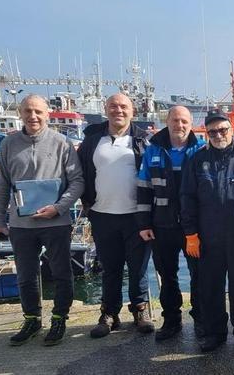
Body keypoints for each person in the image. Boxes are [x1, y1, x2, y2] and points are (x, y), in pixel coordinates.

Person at [0, 94, 84, 346]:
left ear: (48, 114)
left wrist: (59, 207)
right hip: (22, 225)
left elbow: (77, 182)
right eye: (28, 111)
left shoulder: (62, 143)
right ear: (20, 113)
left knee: (62, 272)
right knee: (26, 275)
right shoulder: (8, 144)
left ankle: (59, 317)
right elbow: (2, 185)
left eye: (38, 112)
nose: (33, 116)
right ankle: (32, 318)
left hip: (56, 222)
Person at [180, 111, 234, 352]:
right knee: (210, 287)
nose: (218, 135)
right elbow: (187, 198)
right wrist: (190, 234)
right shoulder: (197, 160)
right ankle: (215, 333)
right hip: (208, 238)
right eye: (212, 132)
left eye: (222, 130)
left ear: (232, 130)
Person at [79, 93, 153, 338]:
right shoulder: (92, 140)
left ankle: (140, 310)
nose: (118, 110)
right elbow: (80, 175)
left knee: (138, 268)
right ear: (105, 109)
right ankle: (109, 313)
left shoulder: (143, 140)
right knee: (110, 268)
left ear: (132, 111)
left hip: (136, 216)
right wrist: (86, 204)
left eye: (123, 107)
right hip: (102, 215)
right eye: (113, 106)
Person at [135, 106, 205, 341]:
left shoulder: (201, 149)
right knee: (168, 276)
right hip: (162, 224)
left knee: (198, 274)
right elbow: (144, 189)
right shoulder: (153, 149)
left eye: (185, 121)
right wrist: (144, 223)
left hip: (193, 227)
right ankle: (172, 320)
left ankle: (201, 319)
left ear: (191, 123)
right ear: (167, 121)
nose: (180, 125)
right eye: (175, 120)